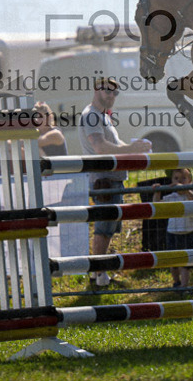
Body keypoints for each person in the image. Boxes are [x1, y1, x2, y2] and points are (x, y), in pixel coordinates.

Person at [78, 77, 152, 287]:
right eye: (107, 91)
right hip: (104, 180)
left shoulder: (102, 116)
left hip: (110, 179)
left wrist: (133, 146)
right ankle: (99, 274)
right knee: (103, 228)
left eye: (114, 92)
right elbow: (101, 148)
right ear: (96, 89)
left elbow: (114, 144)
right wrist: (132, 149)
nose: (111, 95)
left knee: (107, 228)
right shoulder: (92, 116)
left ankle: (97, 273)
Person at [153, 168, 193, 288]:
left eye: (184, 179)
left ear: (190, 181)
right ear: (171, 181)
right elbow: (157, 205)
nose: (180, 182)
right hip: (172, 232)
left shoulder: (191, 195)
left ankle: (184, 286)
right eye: (176, 179)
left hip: (187, 233)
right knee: (173, 262)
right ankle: (176, 282)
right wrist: (157, 192)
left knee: (184, 263)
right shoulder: (171, 197)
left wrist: (186, 190)